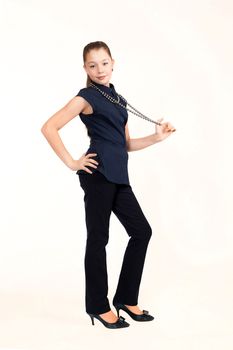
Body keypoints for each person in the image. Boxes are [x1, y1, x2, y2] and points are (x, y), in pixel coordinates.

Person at [41, 41, 176, 329]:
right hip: (98, 174)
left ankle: (126, 299)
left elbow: (125, 144)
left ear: (113, 63)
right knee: (98, 239)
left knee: (141, 231)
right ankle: (98, 306)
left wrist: (156, 138)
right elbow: (49, 127)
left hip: (118, 175)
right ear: (85, 69)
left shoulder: (118, 99)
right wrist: (72, 162)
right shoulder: (85, 97)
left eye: (104, 63)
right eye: (92, 65)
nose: (99, 69)